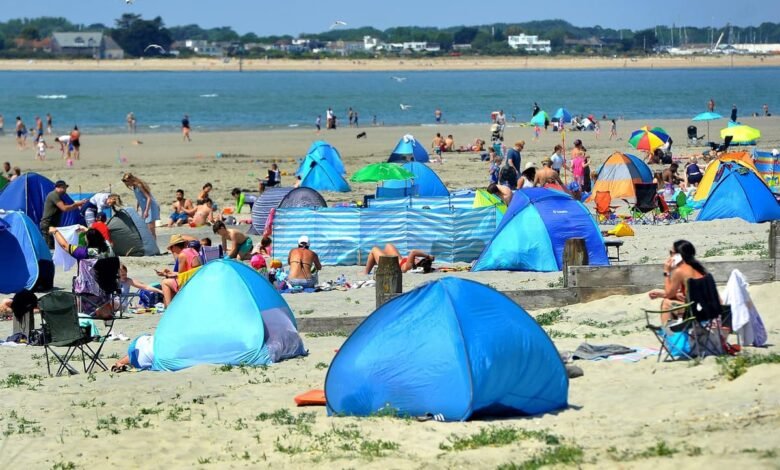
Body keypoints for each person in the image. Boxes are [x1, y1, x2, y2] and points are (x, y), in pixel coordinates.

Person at [50, 226, 115, 319]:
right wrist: (87, 230)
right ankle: (101, 309)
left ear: (88, 241)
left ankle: (89, 309)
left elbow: (65, 245)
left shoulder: (85, 252)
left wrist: (55, 231)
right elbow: (102, 240)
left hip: (88, 290)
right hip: (106, 290)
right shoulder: (108, 250)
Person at [648, 240, 708, 324]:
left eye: (671, 253)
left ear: (679, 255)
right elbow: (684, 295)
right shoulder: (698, 268)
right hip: (707, 308)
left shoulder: (681, 271)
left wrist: (666, 272)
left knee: (666, 303)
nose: (669, 256)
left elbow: (669, 294)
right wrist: (670, 294)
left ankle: (668, 334)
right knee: (671, 300)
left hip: (696, 310)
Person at [157, 234, 202, 306]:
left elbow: (181, 276)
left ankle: (169, 308)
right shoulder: (192, 250)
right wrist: (170, 273)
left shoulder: (182, 255)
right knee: (170, 281)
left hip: (188, 283)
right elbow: (186, 271)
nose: (172, 250)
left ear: (174, 246)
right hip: (196, 279)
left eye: (171, 248)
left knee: (165, 282)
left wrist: (166, 275)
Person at [40, 180, 86, 248]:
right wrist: (76, 204)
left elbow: (67, 208)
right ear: (60, 187)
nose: (65, 190)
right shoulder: (54, 195)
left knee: (54, 246)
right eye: (64, 188)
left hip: (52, 225)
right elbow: (64, 208)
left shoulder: (57, 196)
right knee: (50, 247)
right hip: (48, 224)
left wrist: (77, 205)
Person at [121, 172, 160, 240]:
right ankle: (152, 247)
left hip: (150, 207)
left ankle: (154, 248)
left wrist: (146, 211)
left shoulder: (139, 185)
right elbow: (139, 198)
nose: (126, 183)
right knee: (147, 230)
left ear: (131, 179)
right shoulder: (134, 187)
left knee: (151, 230)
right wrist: (138, 208)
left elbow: (148, 198)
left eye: (126, 181)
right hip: (145, 208)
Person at [364, 243, 434, 275]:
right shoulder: (413, 264)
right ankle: (376, 258)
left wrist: (428, 256)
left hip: (390, 266)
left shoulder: (409, 266)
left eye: (418, 260)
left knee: (374, 249)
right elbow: (440, 268)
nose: (417, 259)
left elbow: (413, 252)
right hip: (396, 260)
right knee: (389, 245)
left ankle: (365, 272)